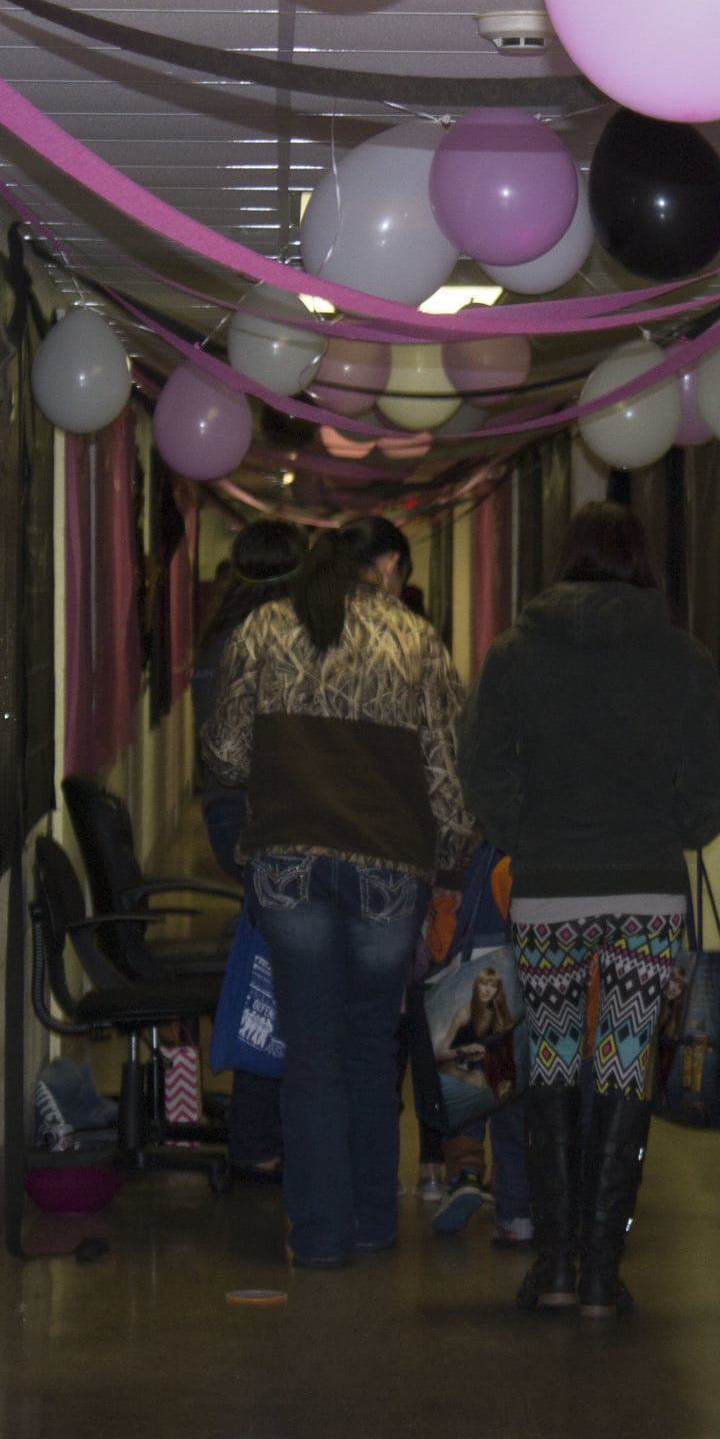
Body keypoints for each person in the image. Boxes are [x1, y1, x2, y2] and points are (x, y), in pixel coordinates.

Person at [459, 502, 720, 1317]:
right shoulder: (682, 659)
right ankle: (598, 1273)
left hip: (549, 892)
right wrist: (672, 831)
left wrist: (525, 832)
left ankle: (551, 1262)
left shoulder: (514, 656)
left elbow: (481, 766)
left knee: (547, 1065)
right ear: (641, 563)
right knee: (625, 1071)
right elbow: (716, 782)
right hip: (648, 894)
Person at [204, 516, 473, 1268]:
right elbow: (449, 783)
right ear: (385, 566)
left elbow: (225, 755)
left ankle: (318, 1236)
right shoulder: (416, 640)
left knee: (312, 1049)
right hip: (389, 868)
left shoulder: (264, 629)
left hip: (287, 861)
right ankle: (371, 1222)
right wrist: (448, 868)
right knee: (368, 1042)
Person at [191, 518, 307, 1183]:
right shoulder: (266, 642)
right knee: (279, 985)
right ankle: (259, 1139)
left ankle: (259, 1136)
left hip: (228, 814)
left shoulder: (220, 637)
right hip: (261, 819)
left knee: (272, 976)